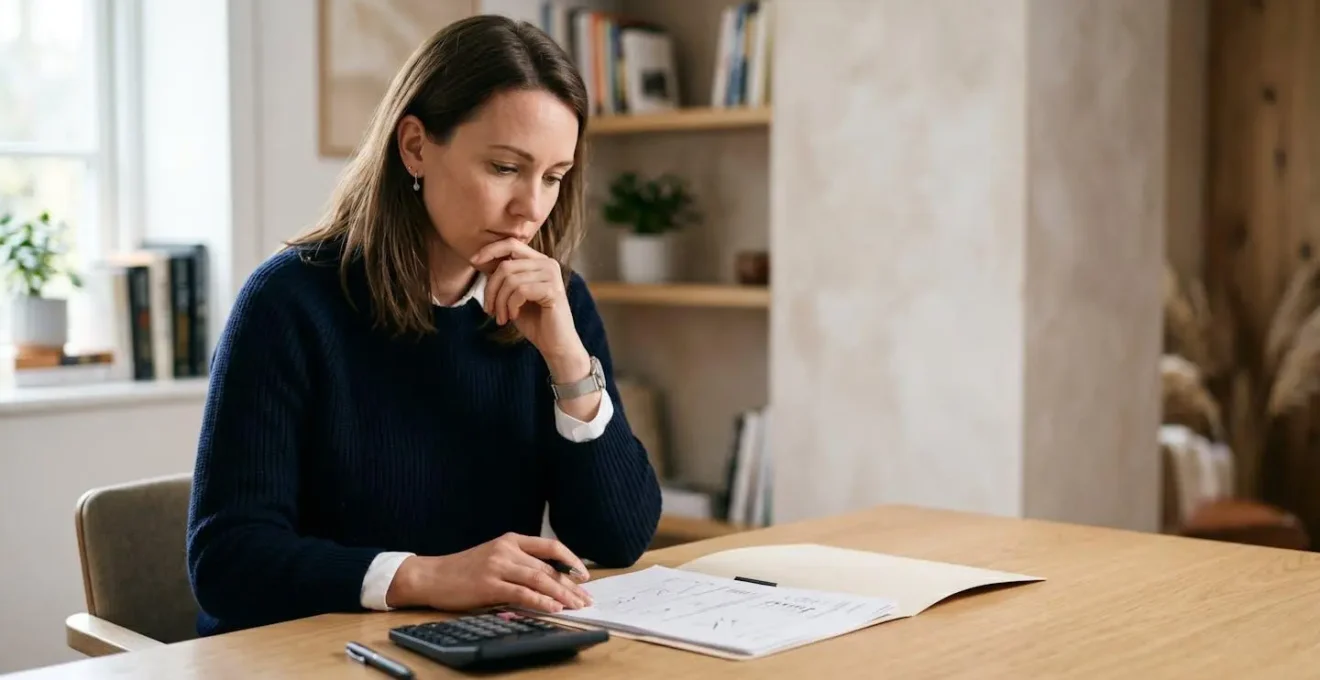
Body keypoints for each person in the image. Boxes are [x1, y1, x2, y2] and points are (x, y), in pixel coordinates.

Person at [185, 14, 662, 637]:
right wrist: (424, 577)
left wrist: (568, 362)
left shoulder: (555, 304)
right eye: (504, 168)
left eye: (553, 177)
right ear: (414, 146)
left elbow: (618, 539)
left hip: (474, 650)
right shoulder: (288, 302)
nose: (531, 207)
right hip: (307, 657)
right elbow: (227, 562)